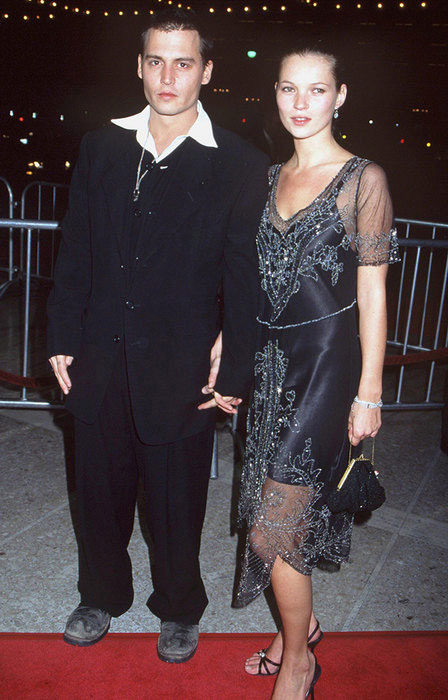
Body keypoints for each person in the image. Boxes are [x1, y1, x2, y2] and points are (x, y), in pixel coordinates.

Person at [47, 8, 268, 663]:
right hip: (98, 354)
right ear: (139, 67)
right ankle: (100, 596)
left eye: (183, 62)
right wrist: (61, 333)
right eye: (156, 61)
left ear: (207, 71)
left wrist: (235, 365)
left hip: (181, 365)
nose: (168, 76)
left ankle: (179, 607)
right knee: (98, 494)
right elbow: (76, 249)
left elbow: (244, 275)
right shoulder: (102, 146)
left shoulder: (238, 162)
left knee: (176, 503)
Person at [233, 47, 399, 698]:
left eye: (317, 89)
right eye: (288, 89)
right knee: (271, 507)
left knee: (273, 522)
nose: (301, 103)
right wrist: (226, 350)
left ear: (341, 95)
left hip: (327, 367)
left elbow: (374, 295)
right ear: (274, 94)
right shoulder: (268, 176)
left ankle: (299, 662)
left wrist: (370, 393)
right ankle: (297, 631)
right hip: (268, 364)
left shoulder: (363, 179)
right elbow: (252, 281)